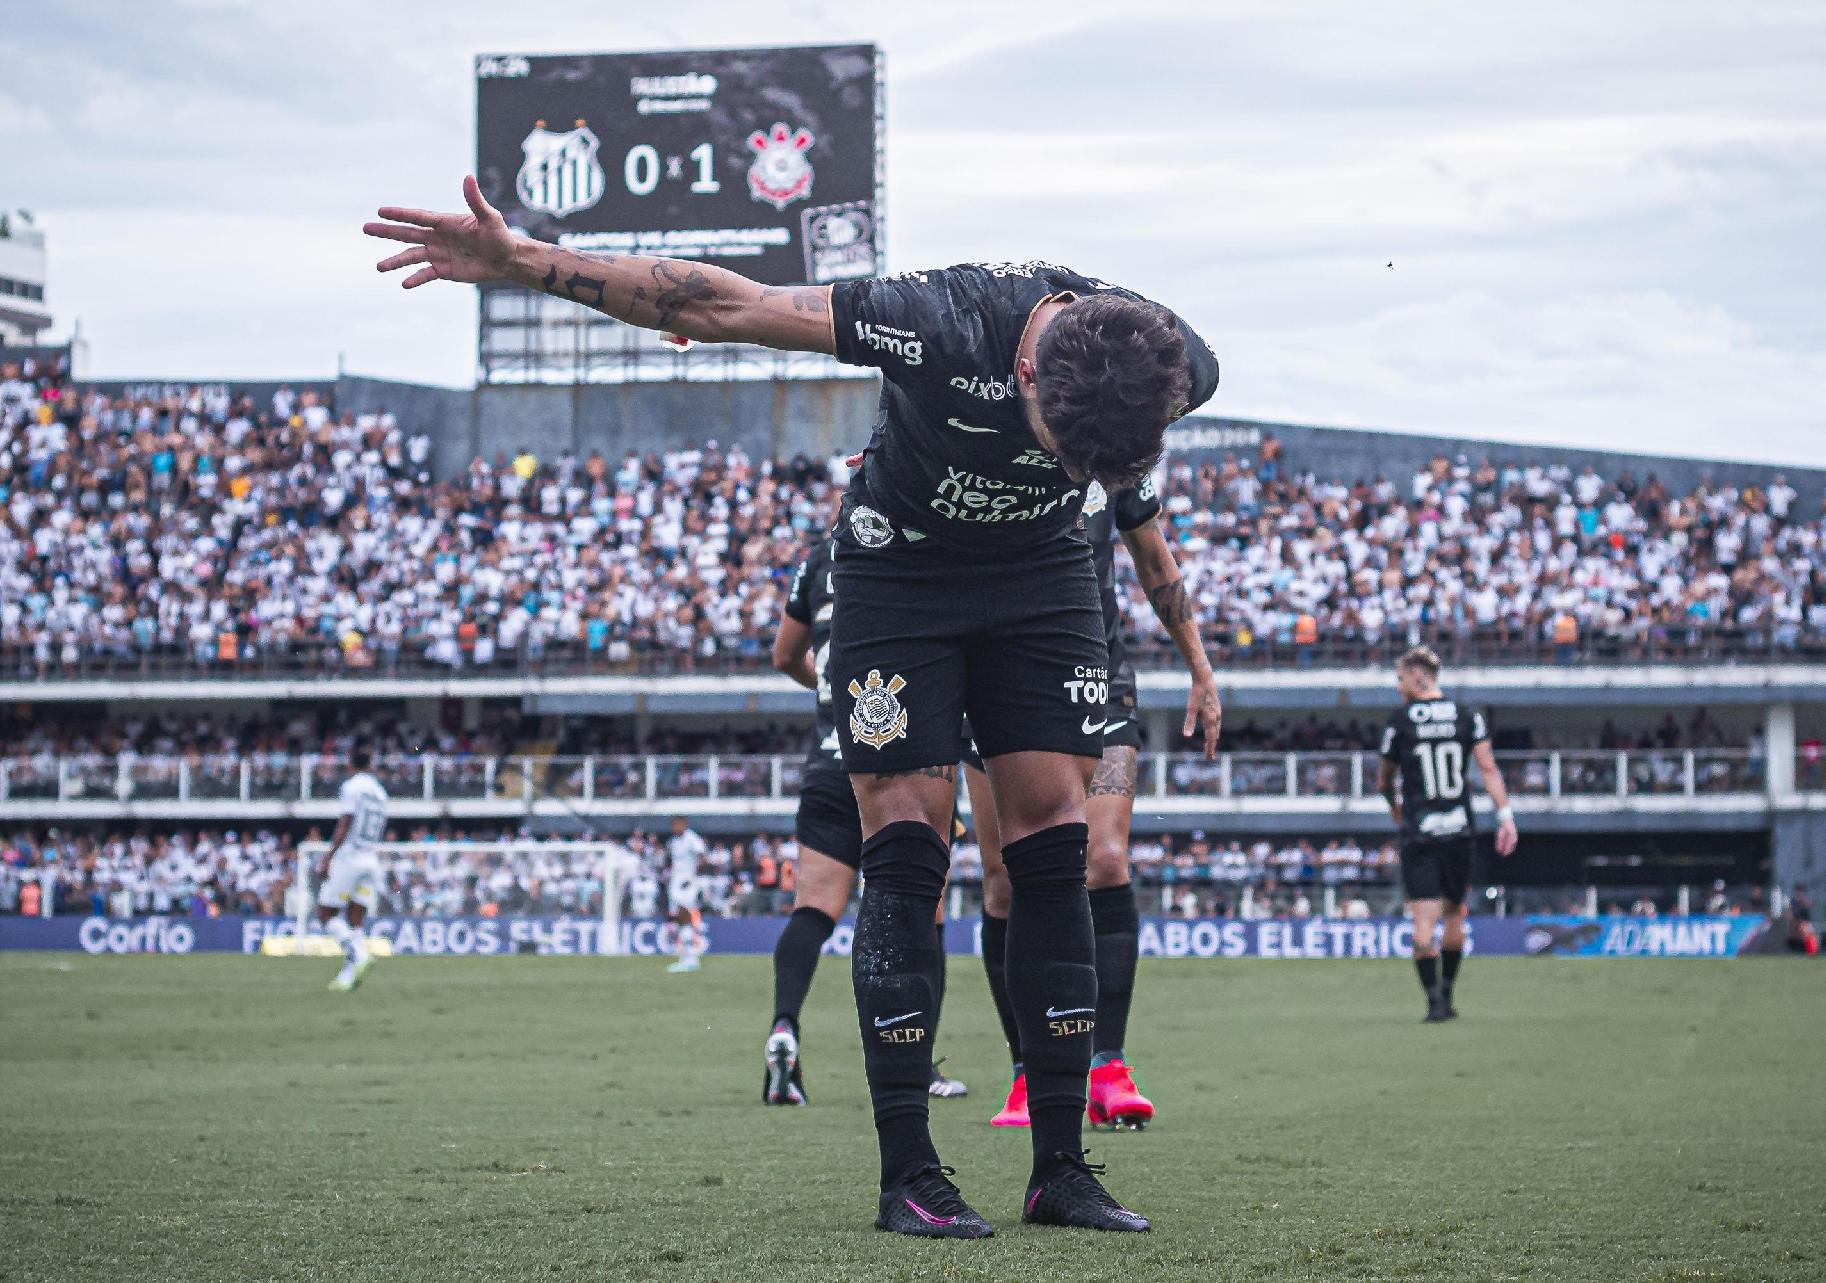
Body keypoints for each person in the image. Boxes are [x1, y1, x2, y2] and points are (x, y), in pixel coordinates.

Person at [365, 181, 1217, 1237]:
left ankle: (1060, 1168)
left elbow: (1131, 501)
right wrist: (522, 260)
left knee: (1052, 843)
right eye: (1058, 440)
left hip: (1042, 582)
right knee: (908, 841)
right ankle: (910, 1171)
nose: (1064, 463)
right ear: (1026, 367)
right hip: (901, 576)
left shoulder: (1174, 356)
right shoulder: (940, 317)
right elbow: (723, 302)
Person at [967, 472, 1220, 1131]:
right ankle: (1027, 1070)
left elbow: (1154, 558)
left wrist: (1199, 663)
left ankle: (1107, 1063)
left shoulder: (1112, 447)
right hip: (993, 675)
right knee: (1003, 881)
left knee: (1104, 858)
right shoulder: (983, 431)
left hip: (1096, 676)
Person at [761, 539, 967, 1106]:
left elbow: (783, 655)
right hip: (901, 762)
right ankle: (916, 1061)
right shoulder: (919, 539)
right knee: (921, 911)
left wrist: (833, 696)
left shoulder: (818, 559)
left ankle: (784, 1027)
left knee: (812, 908)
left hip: (829, 760)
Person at [1377, 646, 1518, 1022]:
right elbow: (1488, 770)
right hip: (1459, 830)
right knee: (1455, 915)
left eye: (1400, 678)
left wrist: (1394, 805)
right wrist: (1505, 816)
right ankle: (1449, 993)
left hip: (1420, 832)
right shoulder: (1466, 716)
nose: (1398, 686)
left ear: (1417, 676)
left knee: (1423, 923)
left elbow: (1384, 779)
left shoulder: (1400, 720)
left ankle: (1433, 1001)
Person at [313, 747, 387, 992]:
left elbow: (345, 822)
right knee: (355, 919)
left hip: (350, 857)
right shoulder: (380, 792)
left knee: (326, 914)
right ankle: (347, 977)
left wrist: (328, 857)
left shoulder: (352, 786)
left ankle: (358, 953)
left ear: (350, 765)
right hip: (371, 859)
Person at [664, 816, 706, 974]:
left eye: (678, 824)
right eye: (673, 825)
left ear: (684, 825)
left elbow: (702, 857)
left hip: (687, 883)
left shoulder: (692, 838)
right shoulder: (673, 842)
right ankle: (687, 957)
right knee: (679, 919)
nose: (675, 827)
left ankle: (691, 959)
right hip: (676, 883)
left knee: (684, 915)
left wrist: (693, 877)